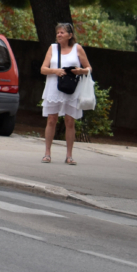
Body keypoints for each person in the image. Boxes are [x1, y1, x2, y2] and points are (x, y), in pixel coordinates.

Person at [40, 22, 92, 165]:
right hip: (54, 87)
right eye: (58, 32)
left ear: (70, 35)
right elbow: (43, 69)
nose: (59, 35)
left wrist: (80, 71)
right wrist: (55, 71)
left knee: (70, 121)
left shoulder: (77, 49)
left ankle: (69, 156)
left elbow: (89, 68)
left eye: (62, 32)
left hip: (71, 89)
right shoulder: (52, 48)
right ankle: (47, 153)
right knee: (51, 119)